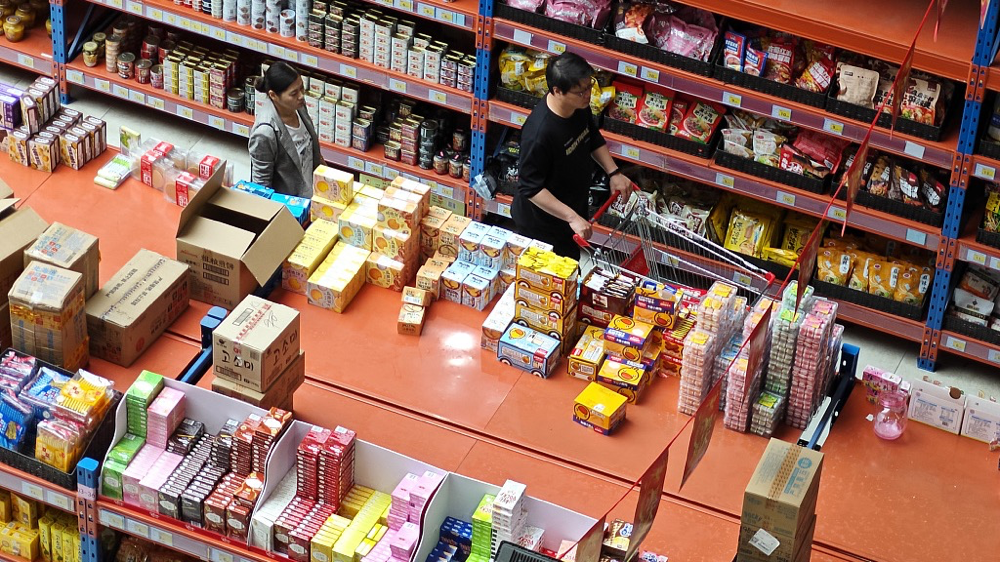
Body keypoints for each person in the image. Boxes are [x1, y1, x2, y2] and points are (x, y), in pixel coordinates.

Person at [512, 52, 632, 260]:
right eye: (581, 91)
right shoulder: (539, 134)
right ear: (557, 91)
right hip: (542, 225)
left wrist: (614, 173)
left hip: (571, 209)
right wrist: (572, 217)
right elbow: (531, 188)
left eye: (589, 87)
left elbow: (592, 136)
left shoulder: (578, 107)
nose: (588, 95)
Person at [249, 61, 322, 198]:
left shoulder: (297, 105)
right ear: (273, 95)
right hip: (292, 206)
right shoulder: (265, 133)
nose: (301, 96)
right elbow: (261, 186)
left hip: (313, 194)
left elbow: (311, 150)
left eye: (302, 88)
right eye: (293, 93)